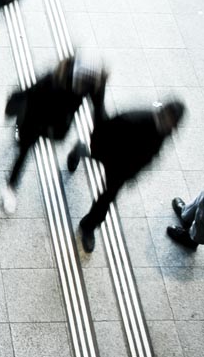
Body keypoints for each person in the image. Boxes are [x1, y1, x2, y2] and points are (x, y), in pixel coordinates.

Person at [67, 101, 185, 252]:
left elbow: (150, 155)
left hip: (121, 170)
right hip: (110, 152)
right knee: (94, 158)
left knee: (106, 198)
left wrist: (133, 173)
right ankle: (81, 150)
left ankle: (88, 225)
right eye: (170, 119)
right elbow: (108, 127)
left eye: (173, 123)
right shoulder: (136, 118)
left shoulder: (164, 132)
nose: (170, 125)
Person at [1, 56, 107, 214]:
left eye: (87, 83)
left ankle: (77, 151)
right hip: (35, 118)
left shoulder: (93, 84)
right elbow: (29, 95)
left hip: (58, 125)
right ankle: (10, 187)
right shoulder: (52, 80)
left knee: (52, 139)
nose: (83, 86)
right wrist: (14, 109)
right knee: (24, 151)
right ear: (74, 76)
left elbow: (99, 111)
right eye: (81, 82)